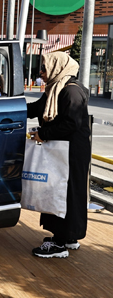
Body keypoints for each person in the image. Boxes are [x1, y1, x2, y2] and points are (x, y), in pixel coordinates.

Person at [27, 52, 90, 258]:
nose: (41, 73)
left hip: (71, 153)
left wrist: (43, 134)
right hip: (64, 151)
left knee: (63, 193)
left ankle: (59, 243)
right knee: (66, 192)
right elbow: (37, 108)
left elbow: (71, 123)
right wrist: (10, 109)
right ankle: (69, 236)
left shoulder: (70, 91)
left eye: (44, 68)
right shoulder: (56, 88)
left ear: (57, 67)